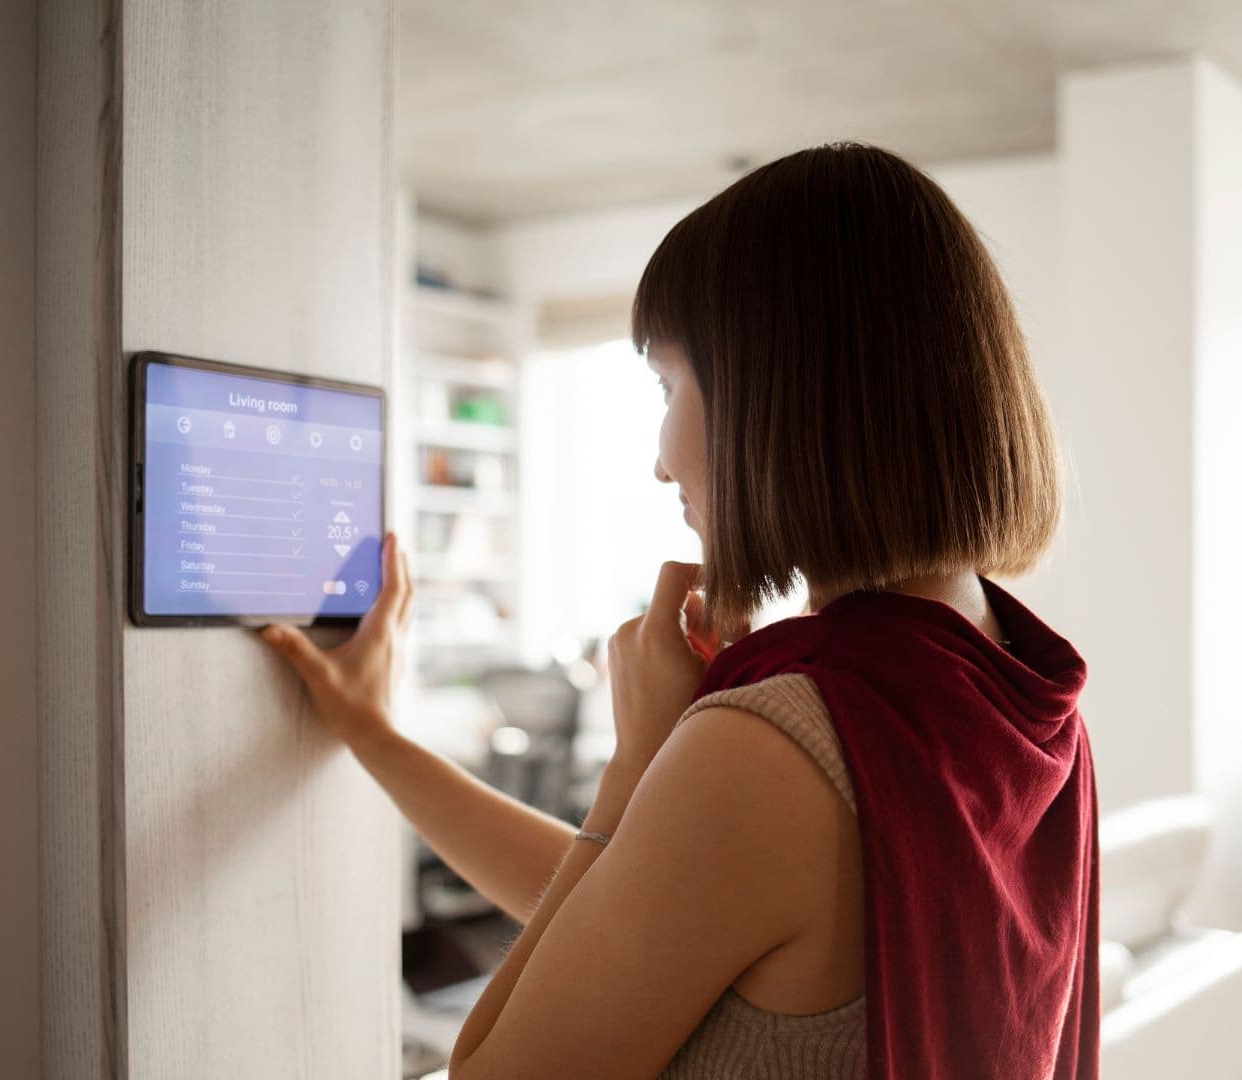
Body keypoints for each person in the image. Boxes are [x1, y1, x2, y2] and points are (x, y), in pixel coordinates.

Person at [262, 141, 1098, 1080]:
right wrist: (373, 735)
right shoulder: (1005, 679)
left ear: (779, 397)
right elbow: (644, 908)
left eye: (668, 386)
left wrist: (637, 765)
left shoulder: (774, 744)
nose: (661, 457)